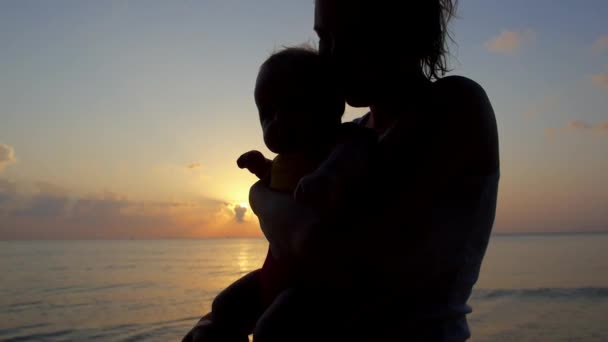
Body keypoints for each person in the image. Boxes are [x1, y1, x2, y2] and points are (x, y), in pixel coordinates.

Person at [187, 0, 500, 340]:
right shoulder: (340, 136)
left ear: (409, 30)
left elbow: (326, 243)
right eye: (324, 38)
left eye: (355, 34)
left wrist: (261, 200)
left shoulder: (453, 105)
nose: (333, 55)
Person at [182, 47, 376, 342]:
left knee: (271, 331)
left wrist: (328, 176)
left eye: (291, 106)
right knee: (223, 307)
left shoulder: (345, 140)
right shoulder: (288, 158)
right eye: (266, 113)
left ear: (332, 105)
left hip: (315, 287)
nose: (276, 121)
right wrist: (264, 169)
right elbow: (281, 178)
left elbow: (354, 156)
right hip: (273, 274)